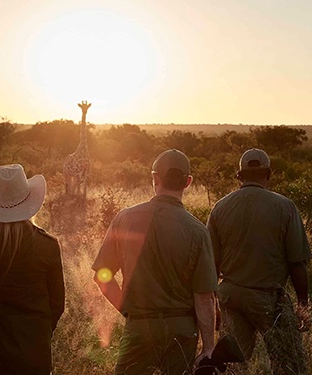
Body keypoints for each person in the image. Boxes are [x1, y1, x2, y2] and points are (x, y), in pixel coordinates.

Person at [92, 149, 218, 375]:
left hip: (140, 325)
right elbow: (204, 297)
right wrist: (209, 346)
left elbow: (102, 274)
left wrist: (127, 310)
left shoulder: (124, 218)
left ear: (154, 179)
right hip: (182, 329)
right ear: (187, 182)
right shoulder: (198, 231)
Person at [206, 148, 312, 375]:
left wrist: (213, 304)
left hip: (230, 296)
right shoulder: (285, 207)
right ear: (269, 174)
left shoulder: (220, 207)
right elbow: (297, 264)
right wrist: (303, 305)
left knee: (232, 366)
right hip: (268, 299)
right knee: (290, 364)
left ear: (239, 176)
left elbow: (210, 266)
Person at [0, 164, 65, 375]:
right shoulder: (47, 245)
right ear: (30, 200)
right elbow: (57, 303)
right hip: (31, 350)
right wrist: (40, 332)